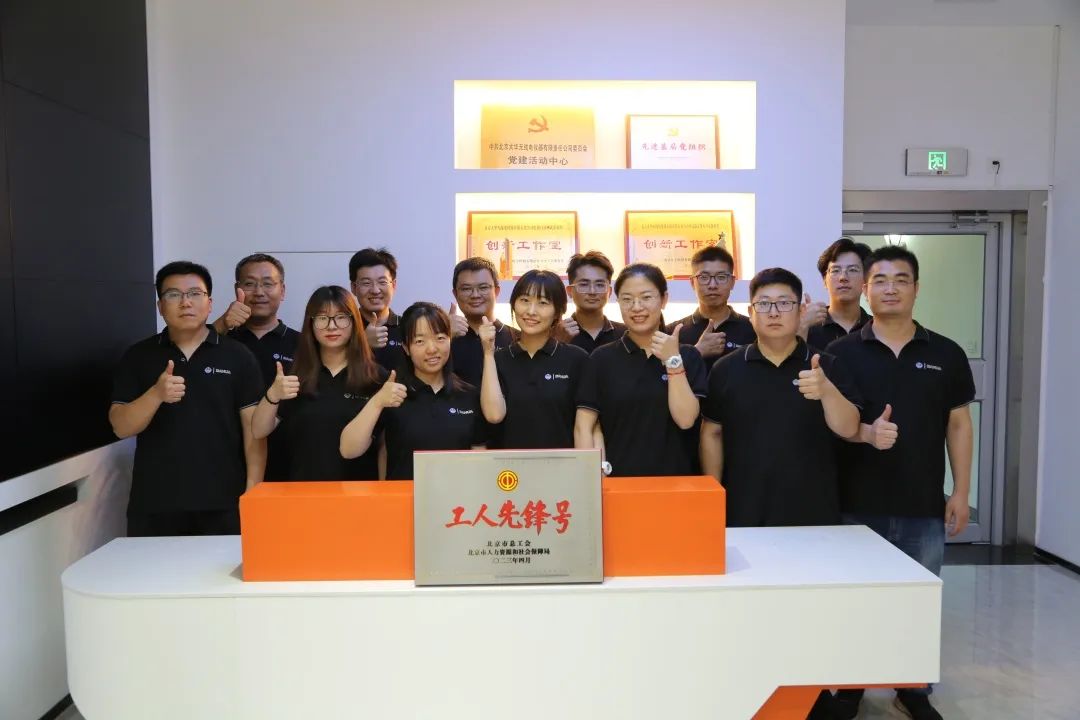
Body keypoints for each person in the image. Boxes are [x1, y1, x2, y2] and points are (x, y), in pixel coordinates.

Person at [827, 245, 975, 720]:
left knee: (918, 601)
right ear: (865, 289)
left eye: (901, 279)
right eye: (881, 280)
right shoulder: (840, 353)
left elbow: (958, 424)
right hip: (854, 503)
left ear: (916, 288)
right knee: (855, 602)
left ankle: (911, 689)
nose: (890, 288)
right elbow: (831, 424)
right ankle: (849, 685)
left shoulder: (946, 353)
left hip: (921, 503)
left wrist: (961, 492)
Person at [109, 261, 263, 536]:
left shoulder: (238, 356)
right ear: (160, 306)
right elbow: (121, 426)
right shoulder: (139, 356)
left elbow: (254, 431)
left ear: (209, 303)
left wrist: (253, 491)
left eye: (194, 293)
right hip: (155, 505)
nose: (185, 302)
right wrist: (156, 394)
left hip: (223, 503)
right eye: (173, 294)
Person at [700, 266, 861, 527]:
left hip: (814, 509)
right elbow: (712, 433)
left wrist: (827, 390)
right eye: (764, 304)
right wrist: (713, 494)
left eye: (784, 303)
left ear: (801, 311)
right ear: (751, 313)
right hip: (744, 508)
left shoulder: (827, 365)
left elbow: (850, 428)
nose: (774, 312)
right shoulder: (726, 369)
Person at [575, 263, 706, 476]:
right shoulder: (601, 359)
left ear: (664, 299)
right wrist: (593, 478)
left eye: (646, 297)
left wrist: (673, 360)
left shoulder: (688, 356)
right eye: (627, 299)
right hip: (618, 483)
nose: (636, 307)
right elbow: (585, 426)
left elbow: (686, 420)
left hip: (678, 482)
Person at [341, 302, 489, 480]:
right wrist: (377, 402)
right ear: (406, 348)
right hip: (403, 496)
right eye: (420, 341)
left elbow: (479, 458)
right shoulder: (392, 394)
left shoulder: (468, 394)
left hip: (456, 496)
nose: (432, 349)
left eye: (440, 338)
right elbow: (348, 450)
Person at [251, 286, 386, 481]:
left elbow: (385, 447)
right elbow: (258, 430)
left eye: (341, 317)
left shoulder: (375, 377)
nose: (332, 326)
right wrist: (273, 394)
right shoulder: (296, 375)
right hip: (303, 490)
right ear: (311, 324)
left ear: (354, 322)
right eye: (322, 318)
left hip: (358, 492)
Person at [211, 252, 300, 481]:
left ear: (283, 290)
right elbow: (188, 354)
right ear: (237, 289)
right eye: (250, 284)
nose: (259, 292)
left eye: (268, 284)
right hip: (225, 466)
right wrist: (222, 324)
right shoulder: (220, 341)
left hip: (291, 466)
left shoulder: (303, 344)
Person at [479, 269, 590, 449]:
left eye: (543, 303)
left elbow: (586, 427)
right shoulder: (497, 359)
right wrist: (488, 353)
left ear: (558, 311)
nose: (531, 311)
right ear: (514, 304)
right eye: (524, 300)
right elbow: (494, 415)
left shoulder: (576, 359)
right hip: (508, 466)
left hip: (562, 463)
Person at [668, 246, 756, 369]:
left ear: (732, 282)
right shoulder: (673, 332)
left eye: (721, 277)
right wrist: (696, 352)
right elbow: (662, 375)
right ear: (692, 283)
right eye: (704, 277)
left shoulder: (754, 330)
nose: (713, 285)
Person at [449, 257, 514, 386]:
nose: (475, 295)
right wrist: (444, 336)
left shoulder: (516, 338)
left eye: (483, 287)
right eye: (466, 289)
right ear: (455, 294)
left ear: (496, 291)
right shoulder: (445, 338)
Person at [801, 237, 873, 348]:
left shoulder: (876, 327)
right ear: (824, 280)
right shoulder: (808, 326)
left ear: (865, 279)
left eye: (852, 270)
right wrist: (802, 325)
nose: (843, 277)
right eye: (835, 270)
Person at [349, 247, 405, 371]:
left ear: (394, 285)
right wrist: (363, 344)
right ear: (353, 287)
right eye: (366, 283)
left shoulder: (408, 327)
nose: (375, 290)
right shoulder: (343, 328)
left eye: (382, 282)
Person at [563, 251, 625, 353]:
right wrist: (558, 343)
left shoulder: (625, 334)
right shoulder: (558, 333)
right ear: (570, 291)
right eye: (584, 284)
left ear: (609, 292)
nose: (592, 291)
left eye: (600, 285)